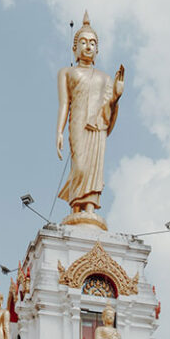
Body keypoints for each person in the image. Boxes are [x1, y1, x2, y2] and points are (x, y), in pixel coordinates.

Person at [56, 13, 124, 226]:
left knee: (95, 167)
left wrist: (116, 95)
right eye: (83, 42)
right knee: (80, 166)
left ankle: (89, 206)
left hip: (97, 127)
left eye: (92, 43)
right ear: (75, 48)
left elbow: (108, 109)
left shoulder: (105, 78)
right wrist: (58, 131)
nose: (88, 47)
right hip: (77, 124)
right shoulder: (67, 73)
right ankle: (76, 205)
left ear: (97, 49)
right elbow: (64, 104)